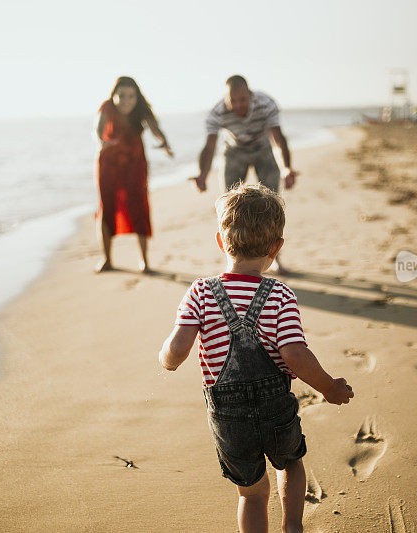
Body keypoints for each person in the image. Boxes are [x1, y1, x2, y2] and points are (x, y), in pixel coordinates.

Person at [159, 184, 353, 533]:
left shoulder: (201, 292)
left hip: (228, 417)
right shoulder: (279, 293)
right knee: (291, 462)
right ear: (276, 249)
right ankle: (292, 525)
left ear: (221, 241)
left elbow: (178, 348)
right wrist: (329, 388)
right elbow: (295, 354)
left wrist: (167, 361)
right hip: (276, 406)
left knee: (250, 494)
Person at [190, 75, 298, 273]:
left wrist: (286, 168)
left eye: (243, 100)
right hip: (235, 151)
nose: (239, 105)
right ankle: (231, 260)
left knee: (272, 207)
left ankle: (274, 258)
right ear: (226, 99)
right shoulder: (217, 113)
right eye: (233, 101)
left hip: (263, 148)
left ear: (250, 95)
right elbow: (210, 146)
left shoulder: (266, 104)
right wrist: (203, 175)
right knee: (228, 207)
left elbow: (278, 138)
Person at [93, 76, 173, 273]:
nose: (126, 100)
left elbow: (155, 128)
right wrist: (101, 142)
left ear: (137, 97)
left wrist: (164, 142)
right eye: (121, 96)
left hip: (135, 164)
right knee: (106, 207)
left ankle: (145, 261)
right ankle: (107, 260)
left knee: (139, 206)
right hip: (109, 163)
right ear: (113, 96)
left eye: (131, 96)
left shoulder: (141, 110)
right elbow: (98, 129)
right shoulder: (107, 107)